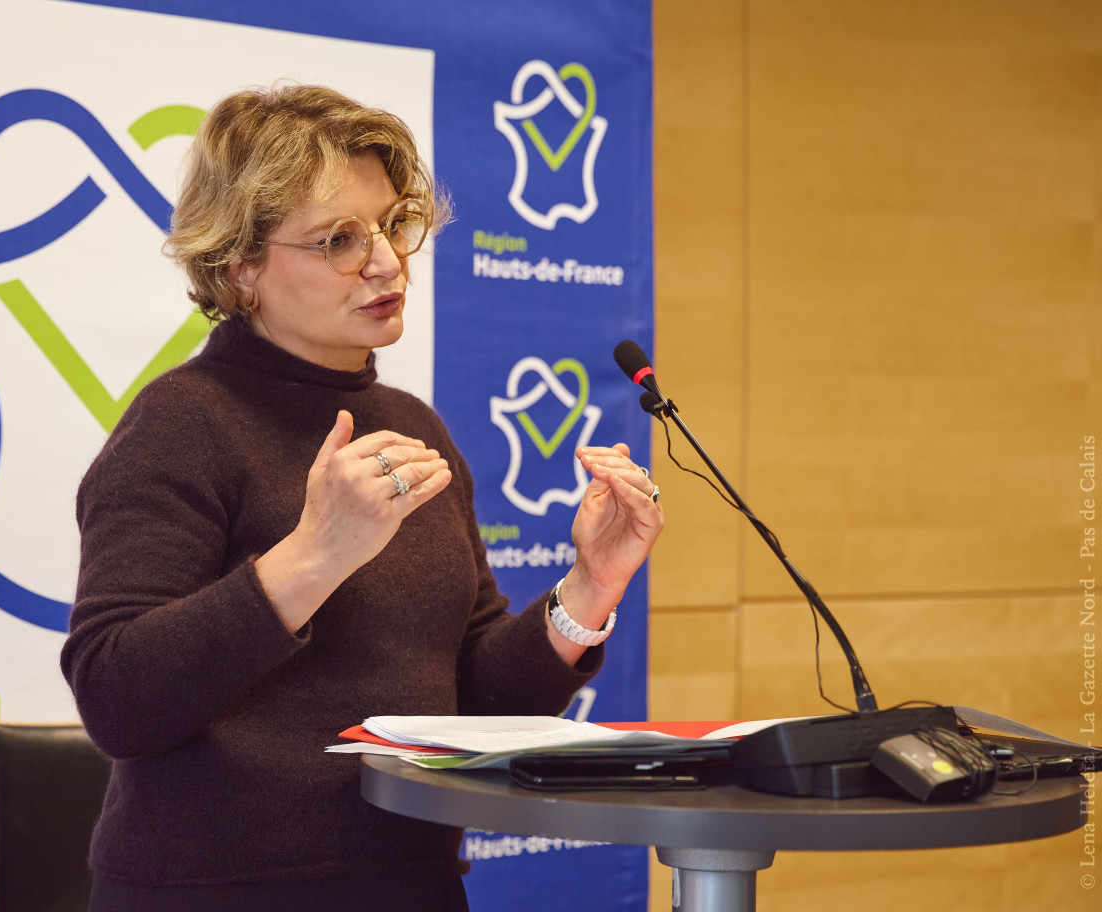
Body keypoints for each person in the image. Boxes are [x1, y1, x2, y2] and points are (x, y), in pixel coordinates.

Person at [60, 84, 664, 912]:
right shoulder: (181, 424)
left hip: (410, 884)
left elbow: (475, 699)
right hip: (217, 892)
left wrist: (588, 589)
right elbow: (116, 696)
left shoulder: (409, 424)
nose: (385, 261)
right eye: (338, 239)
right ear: (241, 268)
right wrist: (316, 554)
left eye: (390, 223)